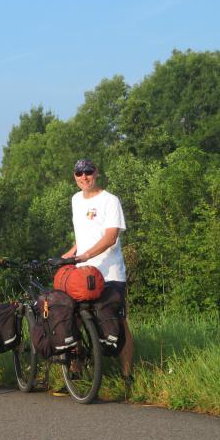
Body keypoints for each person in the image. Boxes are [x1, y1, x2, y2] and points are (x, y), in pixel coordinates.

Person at [62, 159, 135, 385]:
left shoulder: (110, 201)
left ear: (96, 173)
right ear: (74, 176)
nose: (84, 177)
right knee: (75, 318)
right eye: (79, 173)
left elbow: (110, 237)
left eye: (88, 172)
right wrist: (71, 254)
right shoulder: (75, 200)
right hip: (83, 274)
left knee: (118, 322)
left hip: (110, 273)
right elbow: (84, 236)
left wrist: (85, 256)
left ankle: (127, 378)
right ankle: (77, 372)